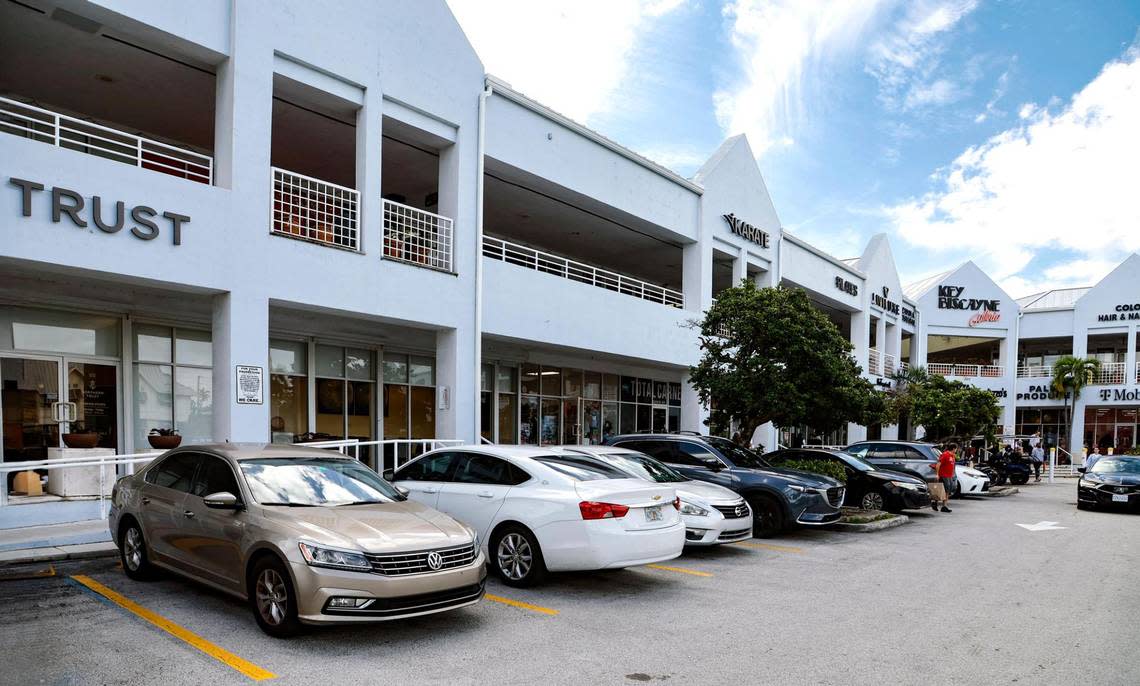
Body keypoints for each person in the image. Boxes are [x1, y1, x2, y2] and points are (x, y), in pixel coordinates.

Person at [930, 442, 957, 513]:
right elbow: (938, 464)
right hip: (944, 475)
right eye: (956, 449)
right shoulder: (945, 454)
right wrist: (937, 474)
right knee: (943, 490)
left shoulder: (953, 456)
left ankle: (937, 504)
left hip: (949, 475)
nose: (956, 450)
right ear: (954, 448)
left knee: (946, 491)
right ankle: (943, 506)